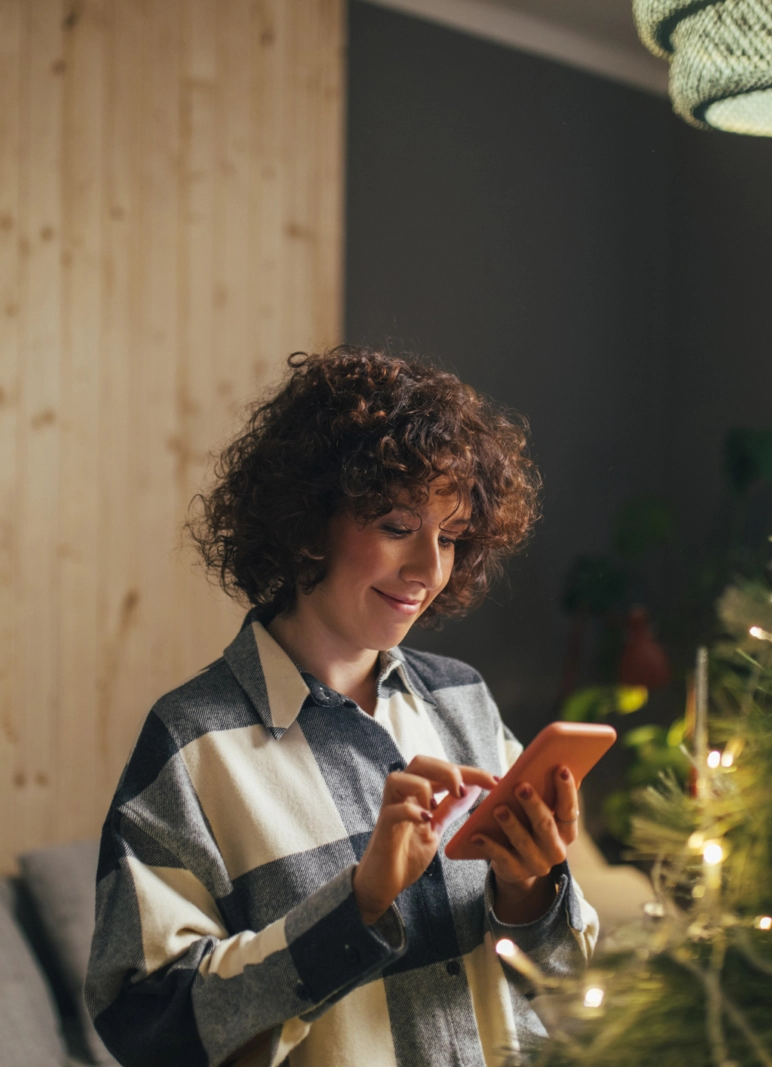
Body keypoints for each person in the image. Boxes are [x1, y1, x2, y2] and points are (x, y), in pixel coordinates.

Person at [85, 348, 598, 1067]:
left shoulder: (464, 701)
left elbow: (570, 987)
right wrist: (356, 907)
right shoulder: (191, 746)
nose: (428, 570)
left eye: (449, 537)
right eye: (396, 526)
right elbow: (146, 1022)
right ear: (305, 522)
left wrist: (531, 891)